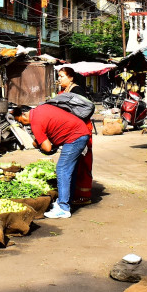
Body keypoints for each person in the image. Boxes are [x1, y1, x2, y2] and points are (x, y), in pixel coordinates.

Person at [11, 104, 91, 219]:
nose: (23, 124)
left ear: (24, 114)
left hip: (75, 137)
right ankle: (67, 200)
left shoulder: (35, 122)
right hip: (81, 132)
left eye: (21, 121)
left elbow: (47, 148)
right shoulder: (41, 109)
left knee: (62, 169)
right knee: (70, 170)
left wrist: (39, 145)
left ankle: (63, 208)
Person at [57, 67, 94, 206]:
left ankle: (85, 196)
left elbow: (83, 111)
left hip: (81, 130)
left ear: (71, 77)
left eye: (62, 76)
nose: (59, 79)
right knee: (74, 163)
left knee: (83, 163)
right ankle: (74, 194)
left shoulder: (77, 91)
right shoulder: (66, 91)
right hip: (73, 130)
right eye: (59, 76)